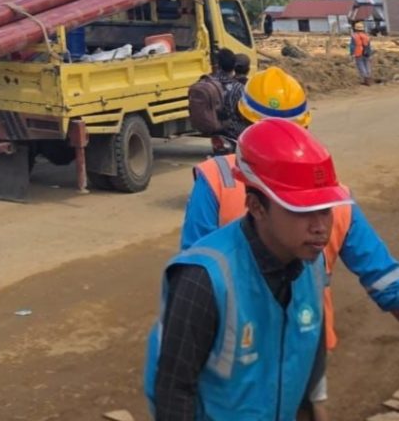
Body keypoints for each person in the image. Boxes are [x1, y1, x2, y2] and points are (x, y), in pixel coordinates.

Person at [179, 67, 399, 418]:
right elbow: (386, 279)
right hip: (303, 341)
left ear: (242, 120)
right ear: (306, 126)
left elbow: (194, 268)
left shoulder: (217, 178)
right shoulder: (332, 195)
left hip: (237, 350)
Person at [146, 119, 352, 421]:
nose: (321, 228)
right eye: (301, 211)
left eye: (325, 210)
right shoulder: (204, 280)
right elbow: (174, 392)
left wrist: (315, 405)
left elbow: (310, 358)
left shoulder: (313, 264)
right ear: (256, 207)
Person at [350, 21, 373, 86]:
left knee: (361, 66)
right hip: (367, 53)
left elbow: (352, 46)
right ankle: (369, 79)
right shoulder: (366, 36)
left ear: (355, 29)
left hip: (358, 53)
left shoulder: (354, 36)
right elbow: (369, 45)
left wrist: (352, 53)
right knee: (367, 65)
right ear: (363, 29)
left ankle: (366, 80)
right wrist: (370, 53)